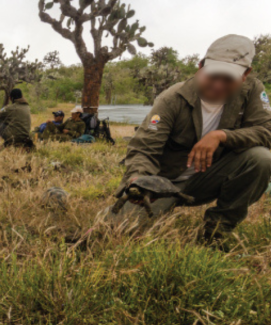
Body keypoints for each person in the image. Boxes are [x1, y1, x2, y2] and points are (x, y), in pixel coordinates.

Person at [113, 34, 271, 241]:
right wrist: (139, 180)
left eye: (228, 79)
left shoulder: (252, 91)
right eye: (213, 76)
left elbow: (266, 131)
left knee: (261, 158)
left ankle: (217, 231)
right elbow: (144, 148)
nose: (218, 85)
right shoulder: (172, 99)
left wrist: (221, 136)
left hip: (209, 179)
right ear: (200, 66)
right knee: (117, 231)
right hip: (163, 184)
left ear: (245, 74)